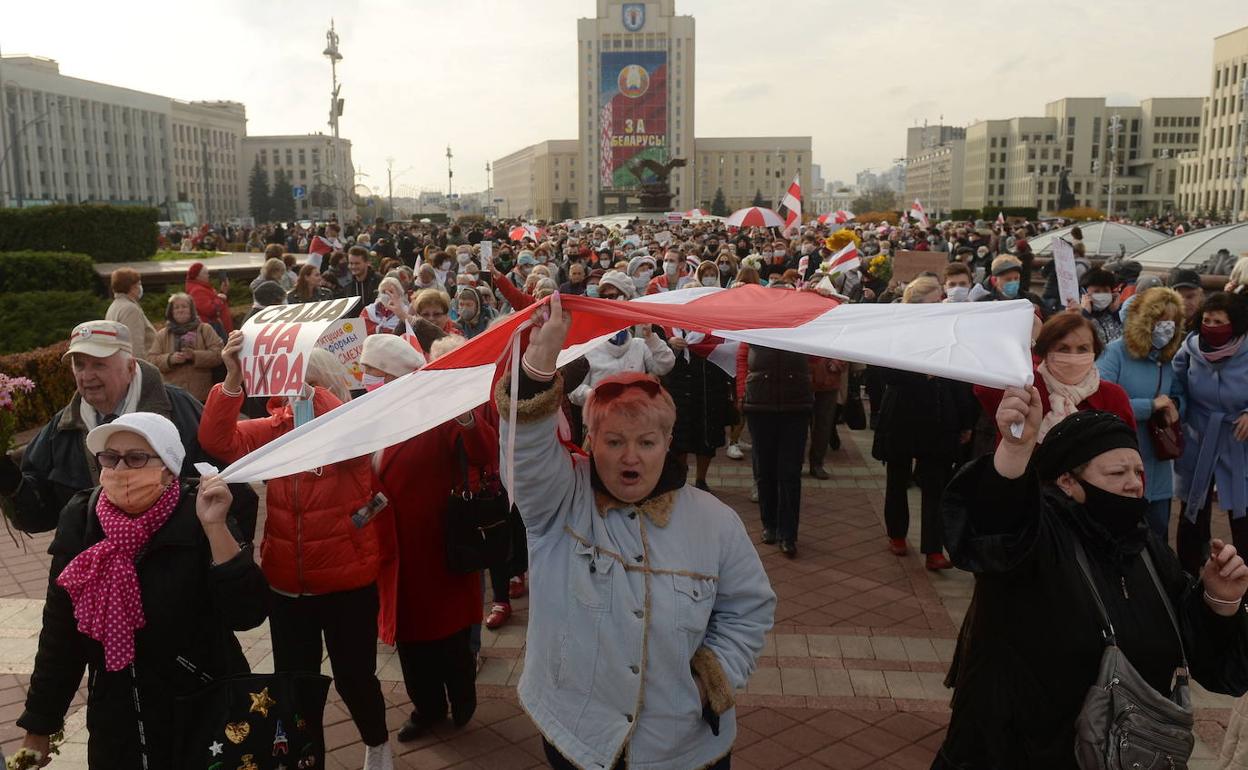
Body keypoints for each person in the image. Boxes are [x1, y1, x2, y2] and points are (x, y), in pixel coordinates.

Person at [499, 293, 775, 770]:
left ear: (668, 443)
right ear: (590, 442)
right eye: (614, 441)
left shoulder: (716, 522)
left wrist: (713, 675)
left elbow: (747, 611)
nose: (631, 456)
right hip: (577, 738)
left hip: (685, 745)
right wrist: (540, 363)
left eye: (646, 442)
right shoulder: (557, 503)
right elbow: (526, 452)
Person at [937, 389, 1248, 768]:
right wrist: (1015, 451)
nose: (1134, 483)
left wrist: (1220, 601)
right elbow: (995, 523)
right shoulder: (1037, 535)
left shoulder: (1146, 548)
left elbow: (1209, 661)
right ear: (1067, 481)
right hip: (1021, 751)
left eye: (1138, 472)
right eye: (1117, 473)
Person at [15, 414, 268, 769]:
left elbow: (247, 613)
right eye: (110, 457)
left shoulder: (201, 510)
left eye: (136, 458)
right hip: (117, 718)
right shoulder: (83, 520)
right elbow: (61, 633)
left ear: (167, 468)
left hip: (202, 707)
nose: (121, 469)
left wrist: (215, 529)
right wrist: (39, 724)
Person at [198, 331, 393, 770]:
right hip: (288, 584)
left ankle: (378, 745)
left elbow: (339, 434)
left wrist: (310, 393)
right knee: (295, 685)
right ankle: (306, 758)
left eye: (301, 381)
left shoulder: (351, 423)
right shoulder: (277, 429)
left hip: (347, 583)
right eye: (289, 383)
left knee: (354, 677)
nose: (290, 392)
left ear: (322, 383)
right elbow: (217, 440)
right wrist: (232, 381)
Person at [364, 335, 497, 743]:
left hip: (440, 545)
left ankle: (461, 695)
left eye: (374, 375)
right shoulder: (370, 416)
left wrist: (466, 418)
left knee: (449, 636)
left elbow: (484, 452)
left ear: (395, 376)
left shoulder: (438, 413)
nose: (367, 383)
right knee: (409, 639)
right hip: (393, 548)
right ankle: (426, 707)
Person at [0, 321, 223, 534]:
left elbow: (224, 484)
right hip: (95, 564)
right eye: (79, 365)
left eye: (99, 364)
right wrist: (12, 485)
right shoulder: (61, 429)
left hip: (177, 560)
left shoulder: (181, 410)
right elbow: (40, 515)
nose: (87, 376)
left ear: (130, 367)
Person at [872, 277, 978, 569]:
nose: (941, 304)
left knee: (936, 486)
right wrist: (922, 374)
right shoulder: (897, 331)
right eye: (935, 301)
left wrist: (965, 420)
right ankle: (897, 534)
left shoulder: (950, 330)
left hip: (939, 417)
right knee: (897, 480)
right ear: (917, 305)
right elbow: (886, 374)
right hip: (902, 416)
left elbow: (959, 377)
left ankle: (933, 549)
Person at [1095, 287, 1186, 538]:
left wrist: (1175, 407)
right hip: (1122, 455)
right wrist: (1150, 406)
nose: (1166, 327)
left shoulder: (1167, 358)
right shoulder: (1115, 352)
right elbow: (1099, 400)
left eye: (1172, 321)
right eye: (1160, 320)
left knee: (1157, 533)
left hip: (1158, 460)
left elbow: (1177, 395)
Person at [1172, 292, 1248, 575]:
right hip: (1199, 435)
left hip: (1238, 439)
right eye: (1207, 320)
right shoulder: (1189, 348)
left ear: (1235, 324)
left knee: (1242, 510)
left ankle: (1244, 574)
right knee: (1193, 507)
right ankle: (1189, 571)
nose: (1211, 326)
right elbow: (1176, 381)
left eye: (1219, 321)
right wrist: (1176, 407)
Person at [975, 312, 1136, 443]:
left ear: (1095, 352)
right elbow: (984, 385)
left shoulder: (1112, 396)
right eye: (1063, 349)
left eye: (1083, 349)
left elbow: (1130, 455)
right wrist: (1022, 344)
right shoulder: (1027, 386)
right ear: (1046, 351)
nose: (1073, 357)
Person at [739, 319, 813, 557]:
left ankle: (788, 533)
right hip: (760, 405)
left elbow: (818, 356)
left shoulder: (806, 328)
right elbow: (741, 359)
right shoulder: (754, 326)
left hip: (796, 406)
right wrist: (742, 391)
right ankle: (769, 524)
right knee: (764, 469)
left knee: (790, 473)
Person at [662, 322, 735, 492]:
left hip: (708, 389)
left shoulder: (713, 327)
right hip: (678, 388)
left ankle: (701, 479)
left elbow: (728, 348)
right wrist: (670, 343)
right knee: (679, 435)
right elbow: (655, 351)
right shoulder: (666, 326)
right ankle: (682, 475)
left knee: (706, 435)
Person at [148, 292, 224, 402]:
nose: (180, 310)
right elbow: (151, 360)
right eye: (176, 307)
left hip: (201, 395)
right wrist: (170, 359)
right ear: (171, 312)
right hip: (173, 397)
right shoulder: (163, 334)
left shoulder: (204, 329)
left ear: (191, 310)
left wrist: (195, 356)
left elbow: (219, 353)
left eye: (184, 306)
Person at [104, 267, 157, 357]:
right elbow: (135, 346)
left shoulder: (114, 306)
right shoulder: (131, 309)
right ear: (132, 287)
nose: (140, 287)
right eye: (139, 284)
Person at [185, 261, 234, 338]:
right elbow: (210, 310)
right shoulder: (197, 291)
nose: (208, 275)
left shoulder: (202, 288)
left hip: (216, 329)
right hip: (214, 331)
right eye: (205, 273)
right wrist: (221, 298)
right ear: (198, 276)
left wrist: (222, 292)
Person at [1080, 267, 1124, 346]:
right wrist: (1085, 314)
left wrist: (1116, 313)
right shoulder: (1077, 317)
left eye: (1106, 291)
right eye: (1096, 291)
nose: (1102, 294)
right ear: (1084, 292)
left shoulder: (1118, 315)